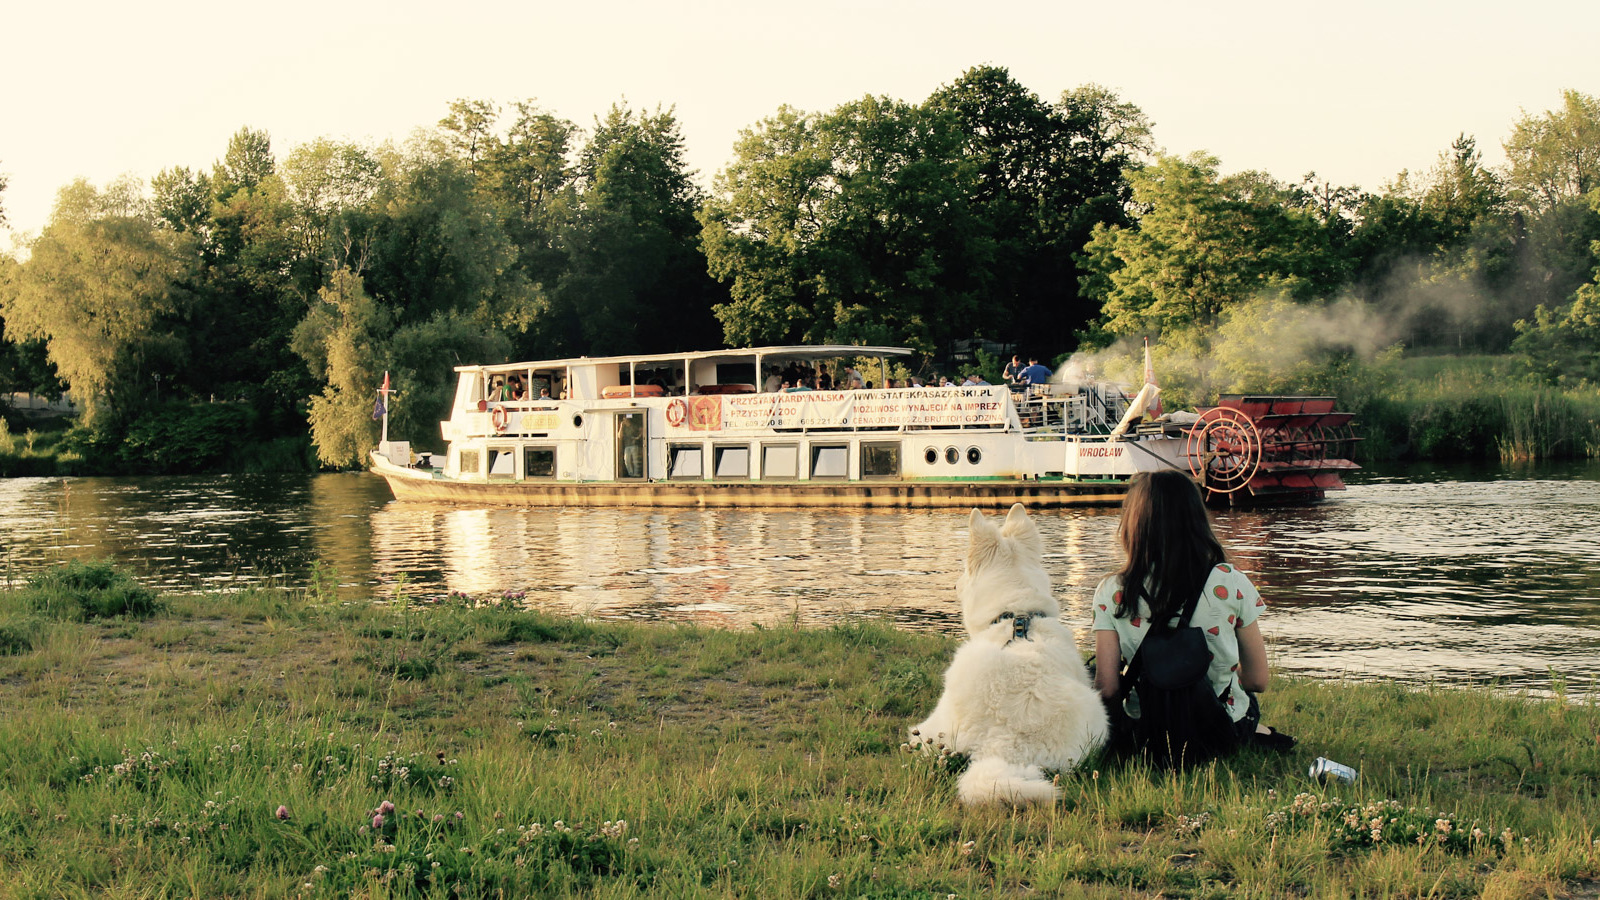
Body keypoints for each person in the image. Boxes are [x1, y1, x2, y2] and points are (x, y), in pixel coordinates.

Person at [1092, 469, 1293, 756]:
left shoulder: (1111, 590)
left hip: (1148, 729)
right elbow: (1257, 680)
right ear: (1197, 520)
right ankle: (1257, 734)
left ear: (1133, 525)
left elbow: (1108, 689)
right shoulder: (1229, 580)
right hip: (1219, 726)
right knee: (1240, 698)